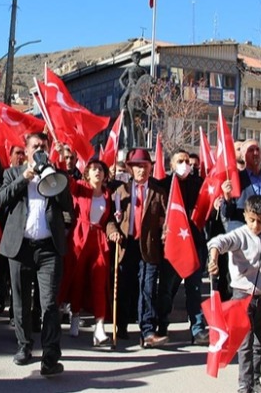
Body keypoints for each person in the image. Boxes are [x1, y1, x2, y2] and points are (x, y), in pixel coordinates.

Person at [0, 132, 73, 376]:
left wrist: (53, 176)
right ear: (27, 151)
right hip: (19, 247)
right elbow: (1, 200)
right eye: (35, 147)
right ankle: (24, 346)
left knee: (49, 303)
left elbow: (67, 205)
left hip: (48, 248)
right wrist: (25, 178)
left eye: (44, 146)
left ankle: (50, 357)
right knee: (21, 302)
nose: (40, 150)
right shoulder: (13, 173)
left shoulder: (56, 174)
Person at [207, 195, 261, 393]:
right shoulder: (239, 234)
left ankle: (256, 381)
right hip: (242, 296)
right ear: (246, 215)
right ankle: (243, 384)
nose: (256, 225)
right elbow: (218, 242)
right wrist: (213, 259)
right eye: (252, 220)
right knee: (245, 343)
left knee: (259, 342)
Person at [108, 148, 168, 348]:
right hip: (126, 244)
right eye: (137, 167)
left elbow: (167, 218)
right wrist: (112, 231)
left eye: (144, 166)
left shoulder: (158, 192)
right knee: (124, 286)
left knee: (148, 287)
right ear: (129, 168)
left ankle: (148, 330)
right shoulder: (120, 191)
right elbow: (110, 219)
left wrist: (165, 230)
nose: (141, 170)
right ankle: (121, 325)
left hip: (149, 246)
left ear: (150, 167)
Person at [60, 159, 119, 346]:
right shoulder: (79, 188)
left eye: (100, 169)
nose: (97, 172)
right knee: (77, 279)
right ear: (87, 173)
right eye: (93, 169)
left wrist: (113, 232)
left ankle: (99, 327)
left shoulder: (108, 194)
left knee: (99, 281)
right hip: (79, 237)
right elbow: (66, 181)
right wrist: (61, 157)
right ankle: (75, 315)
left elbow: (109, 219)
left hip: (99, 239)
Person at [158, 150, 209, 345]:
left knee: (194, 289)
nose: (185, 164)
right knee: (167, 290)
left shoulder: (199, 184)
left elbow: (207, 207)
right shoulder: (164, 185)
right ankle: (162, 326)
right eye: (180, 161)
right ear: (171, 165)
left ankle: (197, 330)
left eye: (187, 161)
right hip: (172, 246)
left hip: (194, 244)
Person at [221, 140, 261, 230]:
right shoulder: (235, 179)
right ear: (243, 156)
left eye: (258, 149)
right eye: (251, 150)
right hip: (242, 234)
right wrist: (227, 197)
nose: (255, 153)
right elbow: (226, 213)